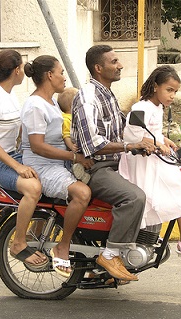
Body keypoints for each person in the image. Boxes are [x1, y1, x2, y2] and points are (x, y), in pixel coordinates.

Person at [71, 45, 155, 281]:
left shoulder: (106, 93)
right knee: (134, 197)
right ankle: (110, 254)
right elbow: (93, 144)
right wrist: (130, 146)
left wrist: (157, 140)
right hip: (97, 168)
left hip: (117, 163)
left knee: (153, 187)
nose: (120, 66)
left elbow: (124, 127)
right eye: (114, 62)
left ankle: (122, 254)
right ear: (99, 68)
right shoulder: (88, 97)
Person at [119, 65, 181, 258]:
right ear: (155, 87)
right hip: (142, 164)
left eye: (175, 92)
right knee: (179, 189)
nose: (172, 96)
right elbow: (132, 138)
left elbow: (154, 133)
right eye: (169, 90)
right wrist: (156, 143)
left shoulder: (158, 107)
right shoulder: (141, 108)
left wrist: (164, 140)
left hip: (155, 160)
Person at [0, 49, 48, 269]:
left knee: (53, 174)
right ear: (17, 70)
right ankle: (19, 244)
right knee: (32, 187)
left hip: (7, 155)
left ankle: (38, 235)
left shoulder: (10, 94)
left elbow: (21, 133)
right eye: (22, 66)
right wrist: (19, 166)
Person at [21, 55, 92, 278]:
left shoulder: (51, 101)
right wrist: (74, 157)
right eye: (61, 72)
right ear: (49, 75)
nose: (64, 77)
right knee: (82, 194)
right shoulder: (34, 106)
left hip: (58, 162)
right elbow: (38, 146)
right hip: (43, 167)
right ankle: (63, 247)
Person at [57, 87, 90, 184]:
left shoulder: (74, 117)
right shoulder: (66, 119)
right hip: (73, 147)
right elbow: (66, 135)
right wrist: (71, 146)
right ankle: (80, 174)